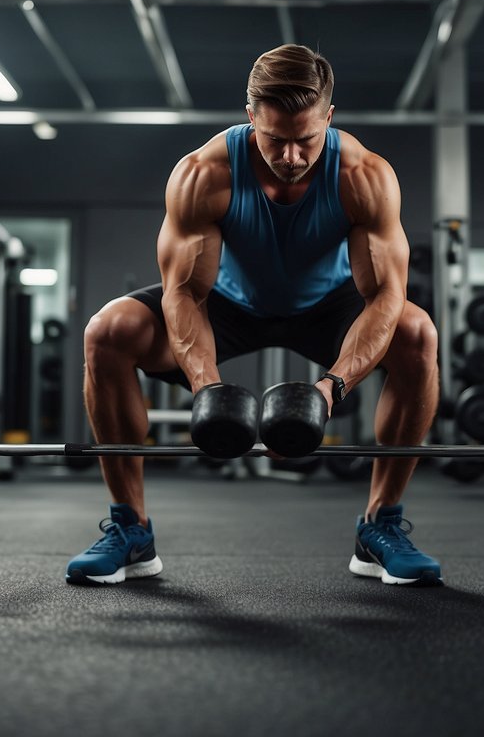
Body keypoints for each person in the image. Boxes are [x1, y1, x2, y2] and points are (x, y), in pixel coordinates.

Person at [69, 44, 441, 587]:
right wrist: (208, 391)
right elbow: (183, 294)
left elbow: (386, 295)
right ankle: (131, 529)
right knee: (107, 332)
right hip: (226, 302)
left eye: (306, 140)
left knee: (416, 333)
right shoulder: (202, 174)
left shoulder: (364, 175)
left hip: (326, 304)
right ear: (250, 116)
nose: (291, 156)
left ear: (329, 119)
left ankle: (379, 527)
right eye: (275, 139)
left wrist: (331, 389)